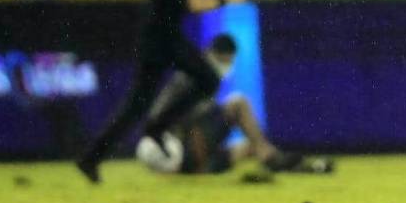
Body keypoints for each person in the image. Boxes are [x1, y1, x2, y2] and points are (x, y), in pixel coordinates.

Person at [75, 0, 253, 183]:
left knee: (136, 104)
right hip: (165, 37)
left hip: (155, 34)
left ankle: (91, 157)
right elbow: (193, 3)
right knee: (208, 78)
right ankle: (157, 128)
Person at [142, 34, 333, 176]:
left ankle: (303, 167)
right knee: (238, 104)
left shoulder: (194, 76)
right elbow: (179, 122)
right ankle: (269, 158)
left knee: (248, 147)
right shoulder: (195, 78)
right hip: (181, 153)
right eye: (226, 61)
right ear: (212, 55)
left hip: (183, 158)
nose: (228, 67)